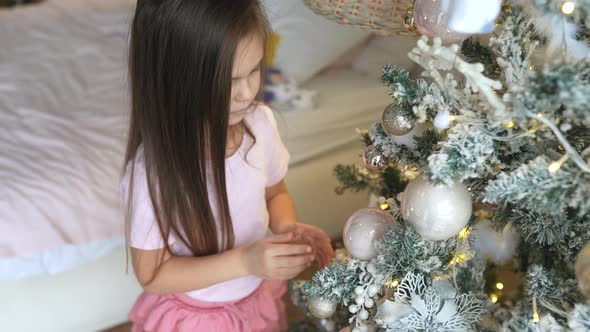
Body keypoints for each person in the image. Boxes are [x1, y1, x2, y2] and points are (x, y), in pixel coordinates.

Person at [120, 0, 335, 331]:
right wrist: (246, 260)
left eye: (253, 71)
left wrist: (287, 231)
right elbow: (152, 274)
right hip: (195, 318)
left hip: (255, 298)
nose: (247, 93)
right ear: (176, 79)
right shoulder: (152, 173)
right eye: (229, 81)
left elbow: (275, 192)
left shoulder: (260, 124)